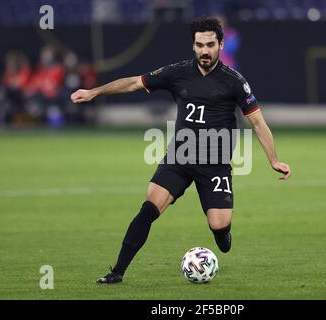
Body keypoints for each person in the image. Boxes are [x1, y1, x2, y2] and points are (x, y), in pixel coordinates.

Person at [71, 16, 291, 284]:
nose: (204, 51)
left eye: (210, 44)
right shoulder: (177, 73)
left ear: (221, 44)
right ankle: (117, 272)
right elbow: (134, 83)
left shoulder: (234, 81)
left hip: (215, 164)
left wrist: (274, 160)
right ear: (193, 45)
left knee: (220, 229)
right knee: (148, 208)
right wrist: (94, 92)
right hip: (180, 156)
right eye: (199, 45)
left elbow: (258, 121)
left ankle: (222, 235)